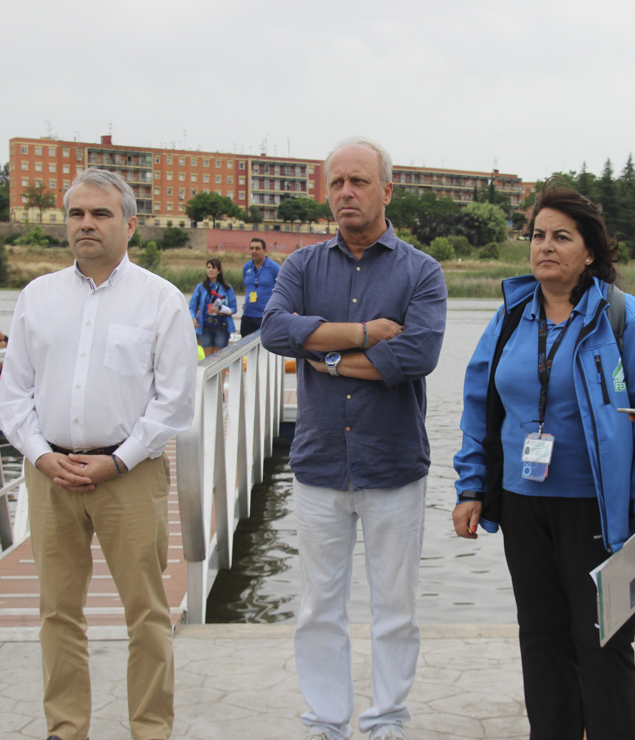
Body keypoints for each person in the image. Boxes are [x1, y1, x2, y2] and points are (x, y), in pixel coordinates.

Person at [452, 182, 635, 740]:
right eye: (536, 235)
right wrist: (471, 486)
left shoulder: (624, 318)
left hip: (600, 513)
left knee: (603, 643)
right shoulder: (510, 315)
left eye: (561, 236)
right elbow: (480, 407)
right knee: (542, 641)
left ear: (590, 252)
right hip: (525, 511)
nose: (544, 246)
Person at [0, 167, 197, 740]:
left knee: (148, 614)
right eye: (77, 214)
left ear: (130, 225)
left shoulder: (159, 300)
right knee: (57, 613)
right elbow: (13, 395)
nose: (86, 224)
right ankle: (66, 730)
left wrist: (120, 459)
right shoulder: (37, 298)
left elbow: (175, 401)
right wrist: (37, 454)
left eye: (101, 213)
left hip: (128, 475)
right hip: (50, 472)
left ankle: (150, 730)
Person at [259, 137, 447, 740]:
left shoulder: (421, 271)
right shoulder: (301, 266)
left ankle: (387, 719)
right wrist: (363, 332)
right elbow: (273, 329)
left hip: (392, 465)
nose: (346, 191)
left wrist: (331, 358)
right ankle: (327, 721)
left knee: (395, 609)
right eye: (337, 181)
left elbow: (416, 356)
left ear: (387, 190)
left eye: (359, 181)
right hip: (319, 464)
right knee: (319, 609)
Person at [189, 257, 237, 356]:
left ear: (219, 271)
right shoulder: (200, 287)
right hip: (205, 325)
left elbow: (234, 308)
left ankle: (222, 372)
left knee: (220, 356)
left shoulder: (227, 288)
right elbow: (192, 306)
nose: (210, 270)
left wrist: (226, 311)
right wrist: (193, 318)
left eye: (214, 267)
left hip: (221, 325)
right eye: (208, 267)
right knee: (208, 357)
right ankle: (211, 372)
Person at [240, 237, 281, 336]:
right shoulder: (246, 267)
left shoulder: (274, 268)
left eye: (257, 248)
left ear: (265, 250)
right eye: (252, 248)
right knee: (246, 348)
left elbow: (282, 289)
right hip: (248, 315)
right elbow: (247, 287)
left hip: (266, 316)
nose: (254, 251)